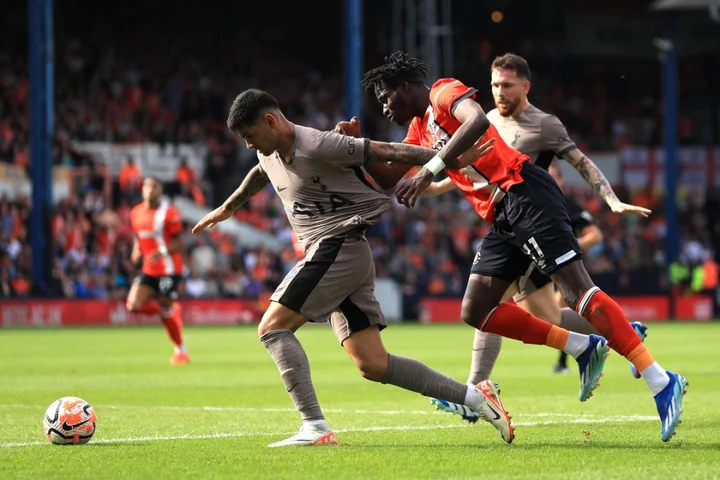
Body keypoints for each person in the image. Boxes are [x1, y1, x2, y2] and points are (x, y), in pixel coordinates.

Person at [357, 51, 686, 441]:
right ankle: (582, 346)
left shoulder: (443, 93)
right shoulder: (418, 129)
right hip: (502, 217)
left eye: (385, 96)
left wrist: (431, 169)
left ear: (406, 87)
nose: (383, 106)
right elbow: (391, 172)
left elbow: (476, 121)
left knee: (577, 292)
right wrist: (352, 151)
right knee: (476, 308)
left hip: (525, 192)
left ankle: (661, 380)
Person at [192, 88, 515, 448]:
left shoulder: (316, 144)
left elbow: (387, 151)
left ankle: (313, 425)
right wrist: (229, 207)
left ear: (270, 121)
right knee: (373, 364)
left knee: (272, 328)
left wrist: (449, 158)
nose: (250, 145)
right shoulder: (270, 150)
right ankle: (476, 399)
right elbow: (260, 172)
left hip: (337, 247)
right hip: (344, 253)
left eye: (250, 136)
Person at [421, 53, 649, 381]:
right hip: (507, 225)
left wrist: (611, 200)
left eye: (507, 85)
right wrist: (431, 186)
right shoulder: (484, 119)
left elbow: (581, 162)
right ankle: (625, 331)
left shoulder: (544, 124)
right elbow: (472, 174)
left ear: (525, 86)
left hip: (533, 220)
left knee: (487, 304)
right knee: (546, 315)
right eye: (495, 85)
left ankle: (475, 391)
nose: (500, 91)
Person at [128, 177, 189, 365]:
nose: (150, 190)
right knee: (133, 306)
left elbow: (180, 243)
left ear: (160, 191)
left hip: (169, 269)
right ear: (142, 189)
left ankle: (181, 350)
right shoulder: (136, 212)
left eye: (155, 187)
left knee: (164, 310)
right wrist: (136, 250)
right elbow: (138, 236)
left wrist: (161, 252)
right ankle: (171, 309)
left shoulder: (169, 213)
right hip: (149, 269)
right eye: (147, 186)